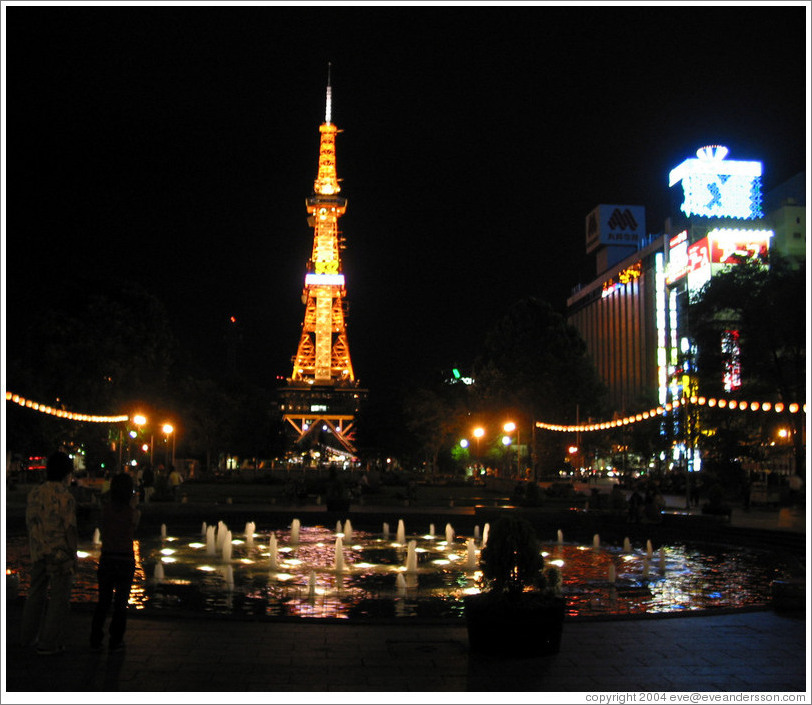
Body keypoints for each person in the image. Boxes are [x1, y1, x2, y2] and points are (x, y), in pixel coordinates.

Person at [20, 451, 78, 656]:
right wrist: (74, 553)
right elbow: (69, 528)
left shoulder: (35, 493)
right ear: (66, 473)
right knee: (59, 598)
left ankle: (27, 638)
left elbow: (30, 521)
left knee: (35, 594)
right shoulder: (65, 496)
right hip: (59, 553)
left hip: (38, 550)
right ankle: (48, 642)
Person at [90, 472, 141, 652]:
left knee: (103, 601)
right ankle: (116, 640)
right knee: (121, 603)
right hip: (125, 559)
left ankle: (95, 638)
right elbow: (135, 526)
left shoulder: (105, 511)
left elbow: (101, 526)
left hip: (107, 558)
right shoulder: (133, 513)